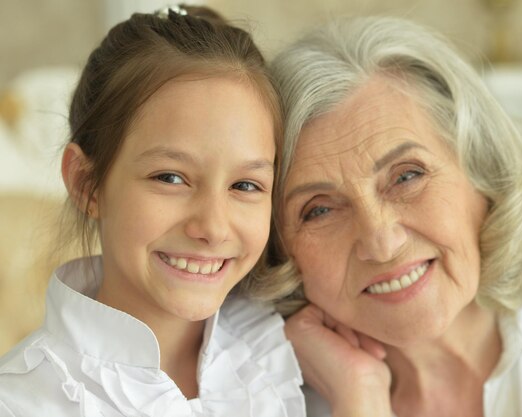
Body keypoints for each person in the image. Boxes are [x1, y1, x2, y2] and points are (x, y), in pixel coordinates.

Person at [267, 16, 522, 416]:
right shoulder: (260, 398)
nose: (381, 242)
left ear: (483, 171)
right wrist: (360, 399)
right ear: (281, 248)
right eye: (318, 210)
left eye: (407, 176)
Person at [0, 5, 305, 416]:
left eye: (245, 185)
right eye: (170, 178)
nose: (213, 227)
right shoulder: (26, 401)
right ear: (87, 184)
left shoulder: (284, 351)